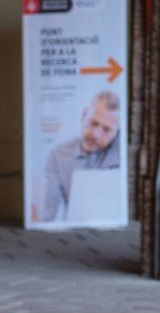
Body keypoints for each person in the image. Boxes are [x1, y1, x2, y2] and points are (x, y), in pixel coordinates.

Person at [38, 90, 122, 222]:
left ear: (117, 133)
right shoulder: (58, 154)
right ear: (84, 116)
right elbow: (49, 211)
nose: (95, 134)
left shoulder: (123, 154)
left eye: (107, 130)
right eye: (93, 123)